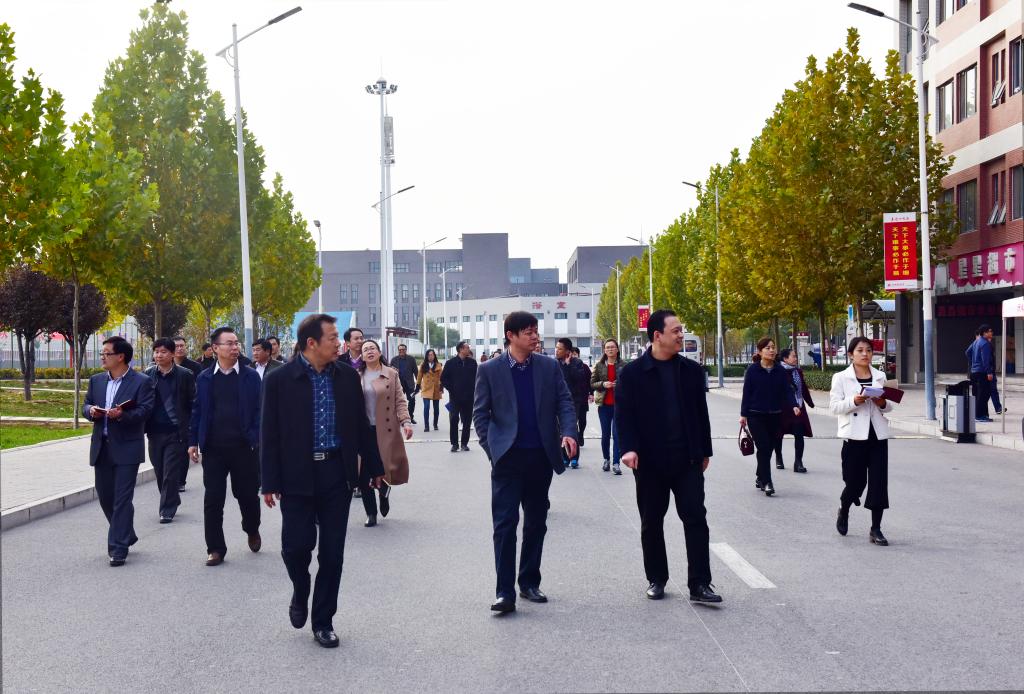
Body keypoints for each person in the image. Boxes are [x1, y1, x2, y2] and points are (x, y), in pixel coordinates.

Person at [260, 314, 384, 648]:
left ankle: (323, 620)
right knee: (295, 548)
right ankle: (301, 589)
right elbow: (268, 433)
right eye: (332, 338)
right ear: (311, 343)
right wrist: (269, 481)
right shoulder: (279, 380)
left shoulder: (346, 377)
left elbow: (360, 426)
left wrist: (374, 467)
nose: (339, 343)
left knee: (332, 554)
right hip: (296, 475)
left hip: (336, 474)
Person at [473, 311, 578, 613]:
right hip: (507, 459)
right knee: (505, 525)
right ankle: (505, 592)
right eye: (529, 332)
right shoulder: (489, 370)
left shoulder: (548, 366)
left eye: (536, 331)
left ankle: (529, 582)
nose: (535, 337)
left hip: (540, 457)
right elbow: (480, 414)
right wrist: (493, 450)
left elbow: (564, 401)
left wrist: (568, 432)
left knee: (536, 522)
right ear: (511, 336)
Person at [615, 310, 720, 603]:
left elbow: (701, 414)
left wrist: (705, 451)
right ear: (657, 336)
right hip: (649, 462)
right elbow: (623, 416)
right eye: (675, 331)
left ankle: (700, 584)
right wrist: (628, 448)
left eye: (681, 330)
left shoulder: (691, 371)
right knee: (652, 521)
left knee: (695, 518)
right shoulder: (632, 374)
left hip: (687, 459)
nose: (681, 335)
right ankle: (656, 578)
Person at [188, 327, 263, 567]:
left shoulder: (251, 376)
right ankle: (215, 549)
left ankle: (251, 528)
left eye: (236, 343)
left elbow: (260, 409)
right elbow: (197, 410)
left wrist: (255, 436)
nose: (235, 347)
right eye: (229, 343)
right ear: (215, 348)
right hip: (214, 449)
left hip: (244, 448)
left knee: (247, 495)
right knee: (213, 499)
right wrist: (193, 441)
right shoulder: (204, 377)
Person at [83, 336, 155, 566]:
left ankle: (118, 548)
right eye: (102, 353)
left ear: (121, 357)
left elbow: (145, 411)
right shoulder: (96, 380)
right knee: (106, 497)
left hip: (127, 448)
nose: (102, 357)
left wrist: (122, 414)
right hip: (101, 447)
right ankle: (126, 533)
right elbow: (85, 404)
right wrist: (90, 410)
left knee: (122, 499)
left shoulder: (141, 382)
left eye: (107, 353)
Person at [830, 336, 897, 546]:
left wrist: (882, 402)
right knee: (855, 483)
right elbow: (834, 407)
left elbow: (889, 406)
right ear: (851, 354)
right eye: (860, 350)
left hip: (877, 436)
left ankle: (876, 529)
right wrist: (854, 400)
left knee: (878, 483)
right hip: (854, 436)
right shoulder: (841, 377)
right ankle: (844, 508)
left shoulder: (880, 376)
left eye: (868, 350)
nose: (865, 354)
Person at [356, 339, 413, 527]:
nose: (369, 351)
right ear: (362, 356)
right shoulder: (357, 376)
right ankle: (371, 513)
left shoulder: (391, 374)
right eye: (365, 349)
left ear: (379, 352)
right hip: (364, 431)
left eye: (372, 348)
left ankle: (383, 494)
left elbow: (400, 400)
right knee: (363, 474)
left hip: (385, 429)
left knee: (385, 469)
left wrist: (406, 422)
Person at [739, 338, 800, 497]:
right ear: (760, 351)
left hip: (775, 415)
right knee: (764, 447)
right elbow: (747, 393)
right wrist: (743, 414)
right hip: (755, 415)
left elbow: (787, 390)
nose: (772, 350)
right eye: (767, 348)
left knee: (769, 448)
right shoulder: (753, 370)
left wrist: (794, 405)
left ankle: (760, 476)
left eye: (773, 347)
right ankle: (767, 482)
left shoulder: (780, 370)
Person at [144, 338, 195, 523]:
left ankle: (166, 510)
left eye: (163, 351)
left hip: (176, 433)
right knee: (159, 471)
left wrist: (192, 434)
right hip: (154, 432)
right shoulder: (148, 375)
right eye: (156, 351)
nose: (159, 355)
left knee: (170, 472)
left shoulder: (185, 375)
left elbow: (193, 404)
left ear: (172, 354)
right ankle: (172, 498)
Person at [775, 348, 814, 473]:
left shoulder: (798, 371)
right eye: (793, 356)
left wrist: (810, 402)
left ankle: (798, 462)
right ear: (785, 359)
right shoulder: (778, 371)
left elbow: (803, 388)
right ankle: (779, 458)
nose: (796, 358)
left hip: (798, 407)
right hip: (782, 409)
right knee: (778, 435)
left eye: (796, 356)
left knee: (799, 434)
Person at [555, 338, 589, 469]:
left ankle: (574, 457)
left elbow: (579, 379)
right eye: (556, 348)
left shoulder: (577, 363)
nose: (557, 351)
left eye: (560, 349)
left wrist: (569, 366)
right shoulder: (554, 364)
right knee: (560, 429)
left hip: (574, 400)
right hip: (558, 401)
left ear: (567, 351)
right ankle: (564, 457)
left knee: (571, 427)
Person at [591, 338, 622, 474]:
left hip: (619, 405)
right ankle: (606, 460)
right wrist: (603, 384)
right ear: (604, 350)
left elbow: (630, 383)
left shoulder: (623, 365)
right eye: (607, 347)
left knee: (617, 435)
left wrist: (619, 384)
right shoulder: (599, 366)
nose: (610, 349)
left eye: (612, 347)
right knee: (605, 434)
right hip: (604, 405)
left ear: (617, 349)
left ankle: (616, 463)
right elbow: (592, 383)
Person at [441, 340, 477, 453]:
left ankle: (464, 444)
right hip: (455, 398)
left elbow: (478, 378)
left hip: (469, 397)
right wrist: (451, 389)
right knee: (454, 419)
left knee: (467, 421)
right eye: (467, 347)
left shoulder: (472, 363)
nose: (469, 349)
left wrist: (474, 390)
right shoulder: (450, 363)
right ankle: (454, 444)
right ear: (461, 349)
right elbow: (443, 378)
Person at [965, 325, 995, 422]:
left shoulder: (976, 341)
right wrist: (989, 372)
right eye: (989, 331)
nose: (991, 333)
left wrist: (973, 362)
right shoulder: (985, 343)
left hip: (974, 372)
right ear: (985, 333)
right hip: (982, 372)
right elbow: (986, 360)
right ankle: (979, 416)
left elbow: (967, 352)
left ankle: (982, 415)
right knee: (984, 394)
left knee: (977, 394)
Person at [390, 343, 419, 426]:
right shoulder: (394, 360)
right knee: (398, 402)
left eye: (403, 349)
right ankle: (400, 418)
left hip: (410, 384)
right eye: (400, 350)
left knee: (412, 401)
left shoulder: (411, 359)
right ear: (398, 350)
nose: (401, 351)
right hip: (398, 384)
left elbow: (416, 372)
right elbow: (389, 371)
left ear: (406, 350)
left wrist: (419, 384)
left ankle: (410, 417)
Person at [417, 348, 443, 432]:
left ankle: (435, 424)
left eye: (432, 355)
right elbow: (419, 376)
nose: (430, 356)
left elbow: (441, 377)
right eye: (429, 355)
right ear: (426, 356)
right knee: (426, 407)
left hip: (436, 388)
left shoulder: (438, 365)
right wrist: (417, 386)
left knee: (436, 408)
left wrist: (441, 386)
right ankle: (426, 426)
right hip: (426, 388)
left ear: (434, 356)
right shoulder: (423, 365)